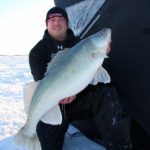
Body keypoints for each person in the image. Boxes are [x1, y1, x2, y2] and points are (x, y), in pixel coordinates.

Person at [29, 6, 131, 150]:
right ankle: (30, 131)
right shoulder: (37, 52)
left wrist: (102, 52)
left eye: (61, 19)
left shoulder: (80, 43)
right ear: (46, 24)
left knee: (105, 91)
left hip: (80, 100)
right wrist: (60, 96)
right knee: (48, 145)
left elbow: (92, 75)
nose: (56, 23)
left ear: (67, 23)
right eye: (52, 20)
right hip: (54, 106)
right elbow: (41, 84)